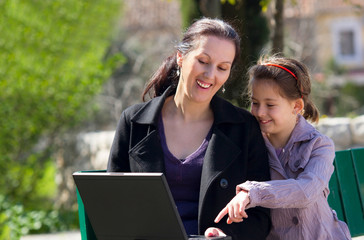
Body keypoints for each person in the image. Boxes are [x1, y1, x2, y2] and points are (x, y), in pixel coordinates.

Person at [107, 17, 271, 239]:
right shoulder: (133, 122)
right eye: (203, 61)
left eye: (222, 67)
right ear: (181, 57)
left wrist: (227, 234)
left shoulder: (244, 128)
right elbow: (111, 204)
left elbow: (261, 214)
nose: (210, 74)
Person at [214, 56, 352, 240]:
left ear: (296, 106)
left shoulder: (319, 145)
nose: (260, 112)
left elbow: (306, 191)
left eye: (270, 105)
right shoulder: (251, 144)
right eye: (255, 103)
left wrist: (253, 192)